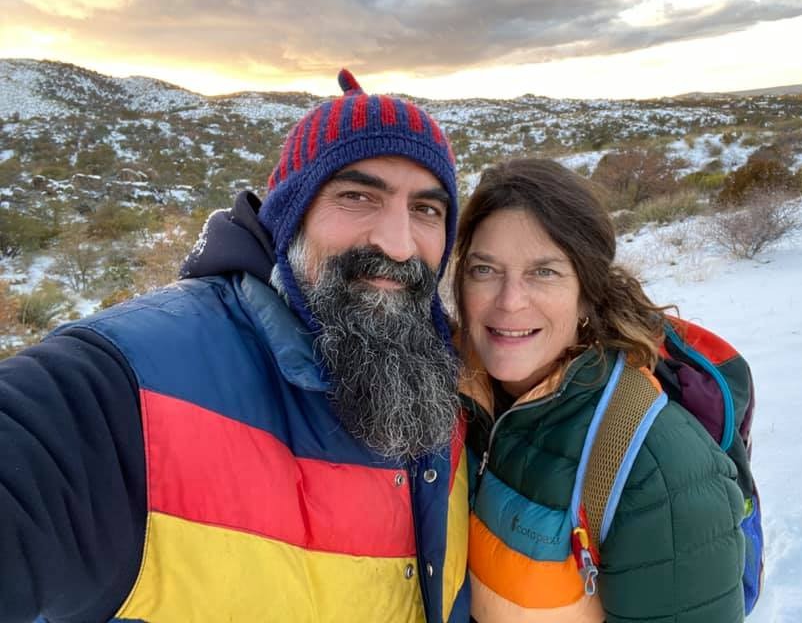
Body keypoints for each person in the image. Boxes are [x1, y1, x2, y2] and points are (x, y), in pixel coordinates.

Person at [0, 70, 470, 623]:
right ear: (291, 216)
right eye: (357, 196)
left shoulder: (448, 374)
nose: (398, 243)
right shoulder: (127, 387)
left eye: (426, 209)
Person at [454, 158, 746, 623]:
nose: (509, 301)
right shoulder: (451, 397)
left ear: (587, 294)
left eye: (544, 272)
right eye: (485, 269)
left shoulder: (657, 470)